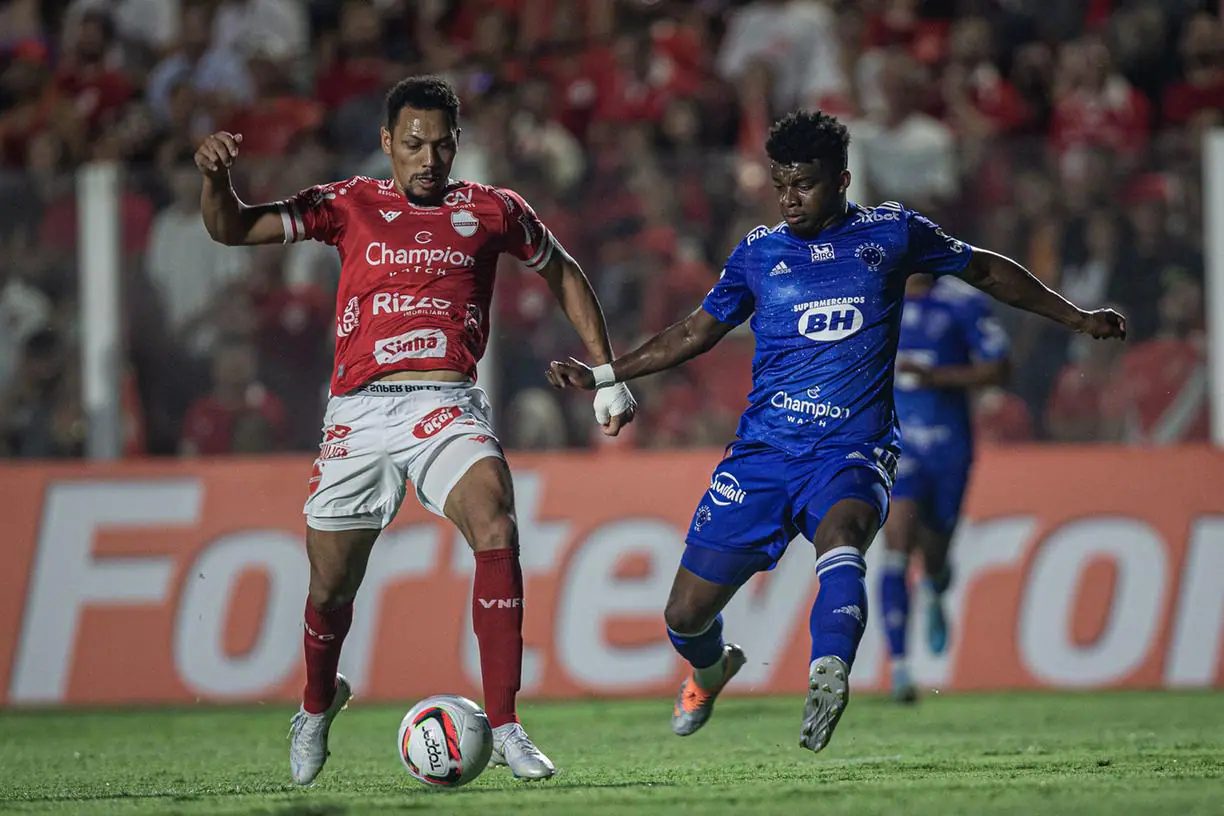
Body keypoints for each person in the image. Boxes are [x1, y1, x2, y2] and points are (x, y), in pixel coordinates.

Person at [546, 110, 1124, 753]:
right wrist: (607, 374)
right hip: (762, 456)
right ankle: (712, 669)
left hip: (853, 449)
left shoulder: (892, 234)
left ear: (843, 179)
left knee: (844, 535)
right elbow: (692, 333)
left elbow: (985, 270)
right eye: (781, 185)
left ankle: (829, 673)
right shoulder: (759, 254)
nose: (791, 199)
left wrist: (1076, 318)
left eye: (806, 185)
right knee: (684, 616)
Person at [194, 75, 636, 785]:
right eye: (412, 144)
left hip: (445, 403)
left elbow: (564, 271)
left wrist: (608, 374)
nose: (428, 158)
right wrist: (216, 181)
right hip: (358, 413)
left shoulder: (493, 210)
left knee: (495, 517)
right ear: (386, 143)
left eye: (441, 144)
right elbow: (232, 228)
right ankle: (314, 706)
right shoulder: (348, 204)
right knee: (331, 588)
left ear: (458, 144)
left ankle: (506, 723)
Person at [880, 272, 1011, 703]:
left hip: (949, 446)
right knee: (896, 541)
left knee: (933, 551)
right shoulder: (876, 297)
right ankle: (899, 669)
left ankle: (935, 584)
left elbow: (999, 368)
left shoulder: (962, 303)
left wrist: (936, 377)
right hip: (897, 444)